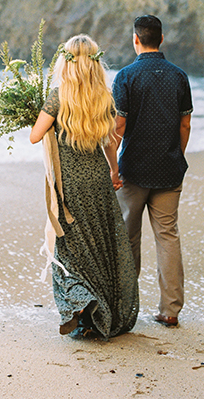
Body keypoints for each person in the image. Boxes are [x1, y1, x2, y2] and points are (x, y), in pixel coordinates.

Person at [30, 34, 139, 338]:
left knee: (69, 248)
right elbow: (110, 143)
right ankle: (100, 309)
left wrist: (37, 115)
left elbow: (35, 136)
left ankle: (83, 303)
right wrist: (115, 172)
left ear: (65, 62)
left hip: (70, 185)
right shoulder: (104, 96)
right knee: (99, 246)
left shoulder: (58, 96)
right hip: (97, 180)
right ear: (95, 63)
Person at [112, 14, 192, 327]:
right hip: (169, 170)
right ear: (161, 39)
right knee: (168, 237)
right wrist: (176, 155)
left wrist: (114, 166)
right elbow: (185, 122)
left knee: (128, 238)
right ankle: (170, 310)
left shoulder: (126, 76)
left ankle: (126, 308)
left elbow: (119, 125)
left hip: (133, 169)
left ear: (136, 39)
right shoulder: (179, 76)